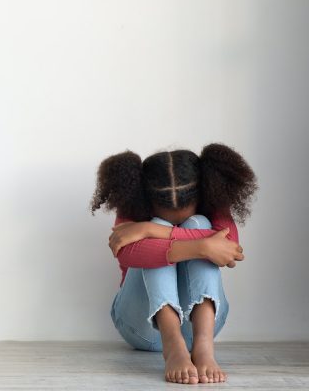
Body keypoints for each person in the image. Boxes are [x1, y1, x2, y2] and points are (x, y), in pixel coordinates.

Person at [90, 144, 257, 384]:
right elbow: (126, 254)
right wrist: (202, 245)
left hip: (203, 329)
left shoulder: (213, 205)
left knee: (198, 222)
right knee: (157, 243)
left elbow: (231, 249)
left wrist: (148, 229)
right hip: (141, 328)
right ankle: (173, 344)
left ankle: (203, 348)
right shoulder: (133, 205)